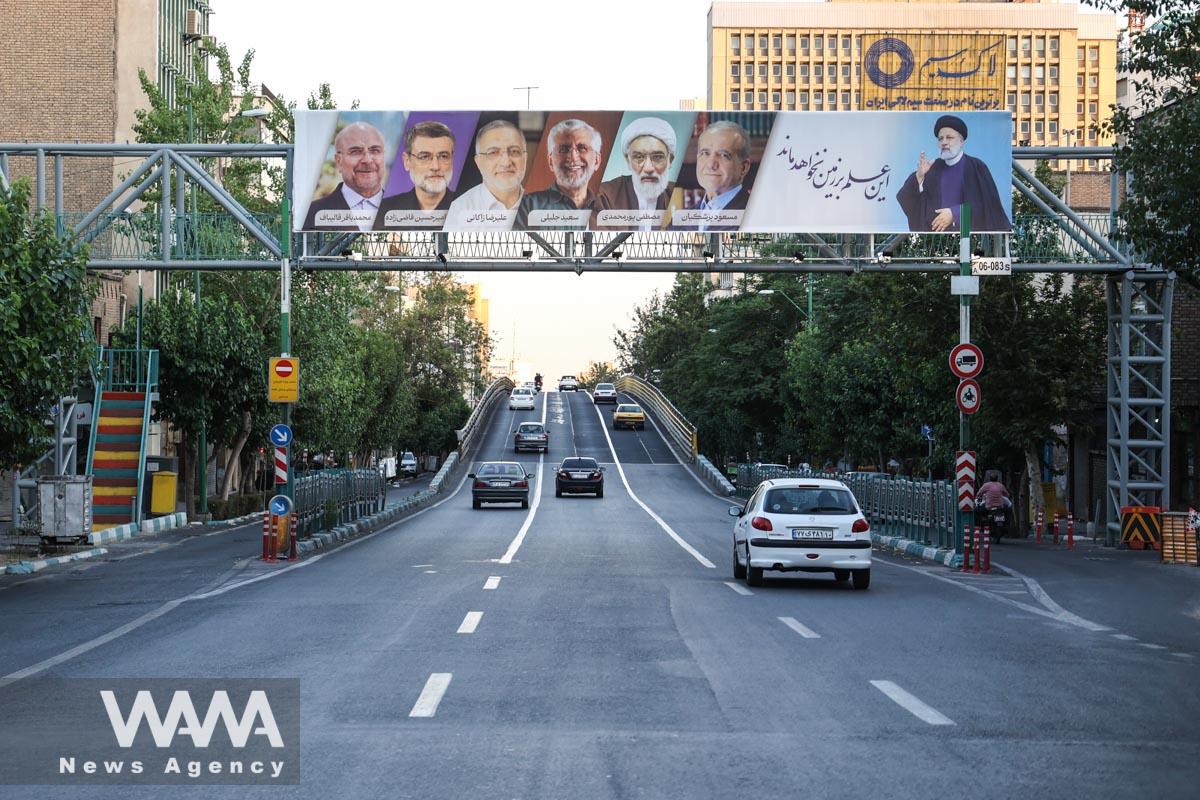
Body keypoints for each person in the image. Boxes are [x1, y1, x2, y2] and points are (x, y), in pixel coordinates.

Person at [896, 114, 1011, 233]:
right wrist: (919, 176)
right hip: (936, 241)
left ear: (961, 141)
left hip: (968, 238)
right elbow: (909, 201)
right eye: (940, 139)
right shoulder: (933, 169)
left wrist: (954, 213)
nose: (944, 142)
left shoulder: (977, 167)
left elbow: (988, 207)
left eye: (949, 137)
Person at [515, 118, 602, 230]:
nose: (573, 157)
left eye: (582, 148)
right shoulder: (525, 208)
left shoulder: (608, 209)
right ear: (551, 161)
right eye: (564, 149)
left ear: (596, 161)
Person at [593, 117, 676, 231]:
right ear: (628, 160)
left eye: (657, 157)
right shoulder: (604, 197)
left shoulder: (679, 195)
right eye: (639, 157)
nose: (648, 168)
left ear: (669, 160)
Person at [302, 122, 388, 231]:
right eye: (356, 152)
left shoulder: (406, 212)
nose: (367, 160)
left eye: (375, 151)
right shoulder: (311, 214)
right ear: (339, 162)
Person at [670, 120, 752, 232]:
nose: (711, 164)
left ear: (743, 168)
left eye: (724, 155)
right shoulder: (679, 220)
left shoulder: (757, 216)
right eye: (705, 153)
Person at [445, 120, 527, 230]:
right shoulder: (461, 209)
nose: (506, 162)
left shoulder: (543, 206)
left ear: (525, 158)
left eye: (514, 151)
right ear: (478, 162)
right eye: (493, 152)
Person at [374, 121, 457, 230]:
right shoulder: (383, 212)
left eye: (443, 156)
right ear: (407, 161)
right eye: (424, 157)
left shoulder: (467, 209)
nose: (435, 166)